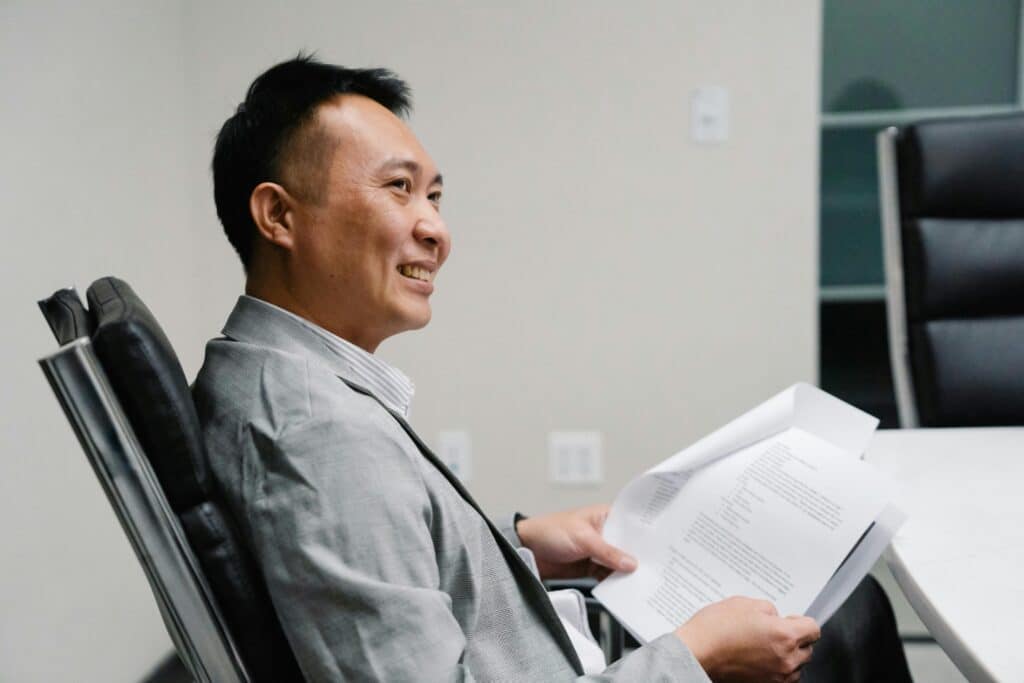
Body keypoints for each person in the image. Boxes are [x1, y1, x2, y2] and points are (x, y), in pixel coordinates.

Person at [193, 55, 911, 682]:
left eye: (435, 196)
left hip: (553, 646)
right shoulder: (318, 436)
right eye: (398, 188)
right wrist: (696, 658)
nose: (435, 230)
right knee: (847, 618)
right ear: (279, 217)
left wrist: (527, 543)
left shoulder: (264, 371)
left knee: (845, 609)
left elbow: (386, 574)